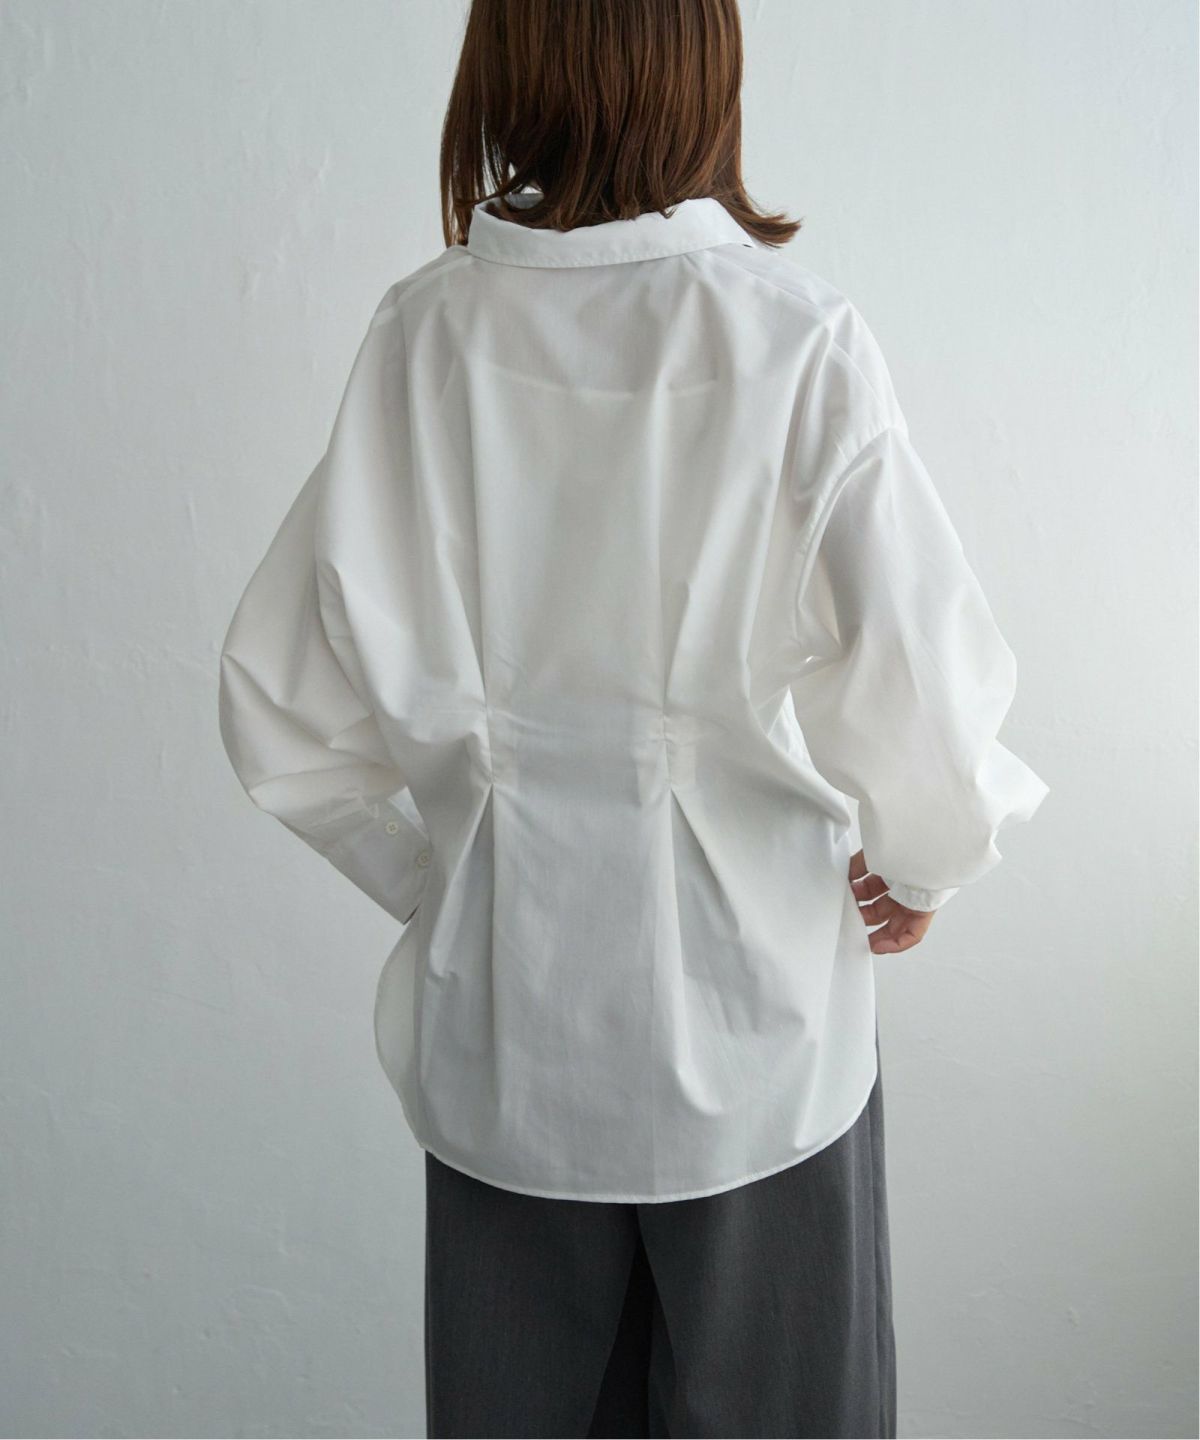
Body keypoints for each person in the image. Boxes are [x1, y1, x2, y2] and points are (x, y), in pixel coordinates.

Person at [217, 0, 1050, 1434]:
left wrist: (443, 879)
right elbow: (922, 679)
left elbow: (280, 702)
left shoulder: (424, 339)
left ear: (505, 66)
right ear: (705, 70)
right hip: (762, 1050)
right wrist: (925, 860)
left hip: (508, 1054)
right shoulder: (795, 339)